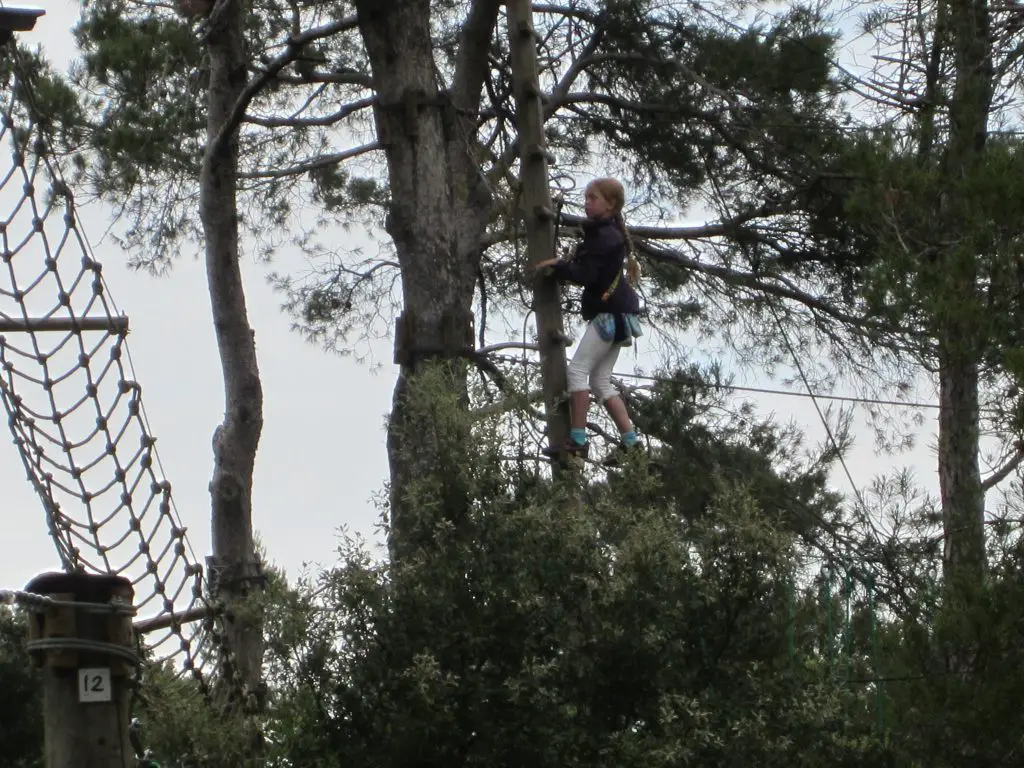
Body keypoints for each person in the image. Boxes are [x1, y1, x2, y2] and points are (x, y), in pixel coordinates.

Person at [533, 177, 643, 465]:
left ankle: (578, 441)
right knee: (601, 380)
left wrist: (559, 266)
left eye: (593, 198)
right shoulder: (609, 234)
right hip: (622, 315)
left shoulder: (604, 236)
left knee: (578, 373)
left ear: (610, 204)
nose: (586, 203)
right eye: (586, 197)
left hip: (609, 316)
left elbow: (587, 275)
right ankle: (631, 443)